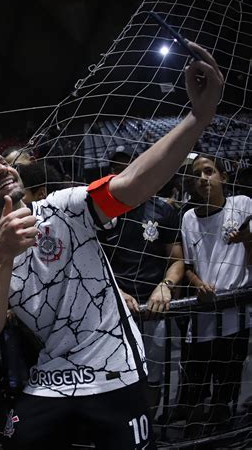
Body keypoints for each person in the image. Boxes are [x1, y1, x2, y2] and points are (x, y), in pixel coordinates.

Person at [0, 42, 223, 449]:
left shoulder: (63, 207)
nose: (1, 169)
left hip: (113, 367)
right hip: (52, 379)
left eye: (2, 162)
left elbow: (133, 184)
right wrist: (3, 254)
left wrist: (197, 118)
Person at [100, 145, 184, 411]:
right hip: (114, 313)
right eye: (116, 168)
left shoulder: (163, 210)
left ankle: (148, 433)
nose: (122, 172)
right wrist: (116, 292)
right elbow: (94, 263)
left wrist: (166, 286)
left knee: (152, 379)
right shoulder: (101, 214)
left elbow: (177, 261)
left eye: (127, 165)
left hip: (153, 311)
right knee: (115, 380)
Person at [179, 154, 251, 431]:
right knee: (196, 383)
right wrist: (199, 285)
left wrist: (247, 239)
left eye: (209, 171)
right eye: (197, 174)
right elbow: (187, 266)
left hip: (236, 315)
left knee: (227, 384)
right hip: (203, 316)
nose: (203, 178)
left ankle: (222, 432)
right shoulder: (188, 218)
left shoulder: (242, 205)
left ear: (223, 176)